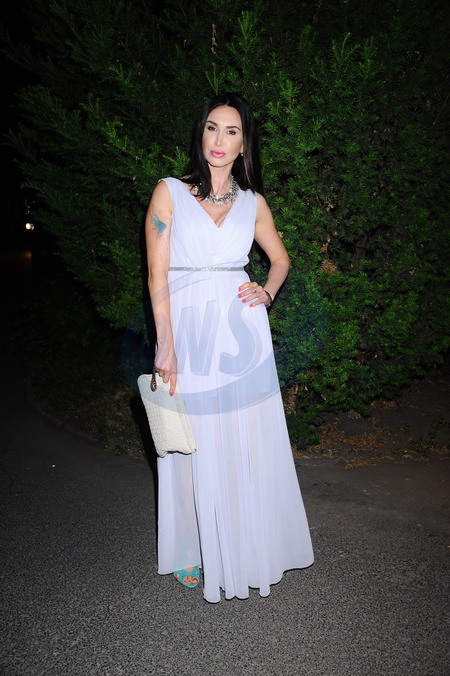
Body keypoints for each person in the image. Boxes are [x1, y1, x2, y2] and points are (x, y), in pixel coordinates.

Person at [145, 93, 314, 603]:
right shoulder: (169, 192)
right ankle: (190, 548)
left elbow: (280, 259)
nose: (220, 140)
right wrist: (165, 344)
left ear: (244, 144)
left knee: (243, 439)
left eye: (232, 131)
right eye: (212, 128)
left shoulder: (253, 204)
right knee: (190, 438)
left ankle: (243, 540)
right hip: (189, 331)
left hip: (243, 333)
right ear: (201, 135)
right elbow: (156, 274)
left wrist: (267, 292)